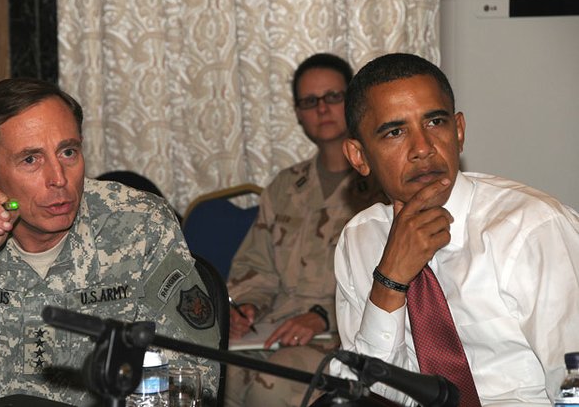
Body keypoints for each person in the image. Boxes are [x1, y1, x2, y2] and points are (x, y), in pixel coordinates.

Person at [0, 78, 220, 406]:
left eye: (68, 152)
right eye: (31, 160)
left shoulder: (138, 223)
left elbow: (195, 375)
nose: (58, 178)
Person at [331, 53, 579, 405]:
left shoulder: (533, 229)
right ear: (359, 157)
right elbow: (370, 393)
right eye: (395, 132)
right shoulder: (359, 240)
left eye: (434, 123)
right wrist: (389, 279)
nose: (422, 148)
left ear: (458, 131)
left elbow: (575, 382)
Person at [225, 53, 387, 406]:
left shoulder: (382, 186)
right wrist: (247, 306)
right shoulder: (286, 186)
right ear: (298, 113)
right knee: (221, 372)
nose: (322, 109)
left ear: (355, 101)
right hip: (274, 328)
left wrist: (320, 316)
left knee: (272, 385)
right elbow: (257, 265)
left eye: (333, 97)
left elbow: (393, 279)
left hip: (342, 336)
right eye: (310, 101)